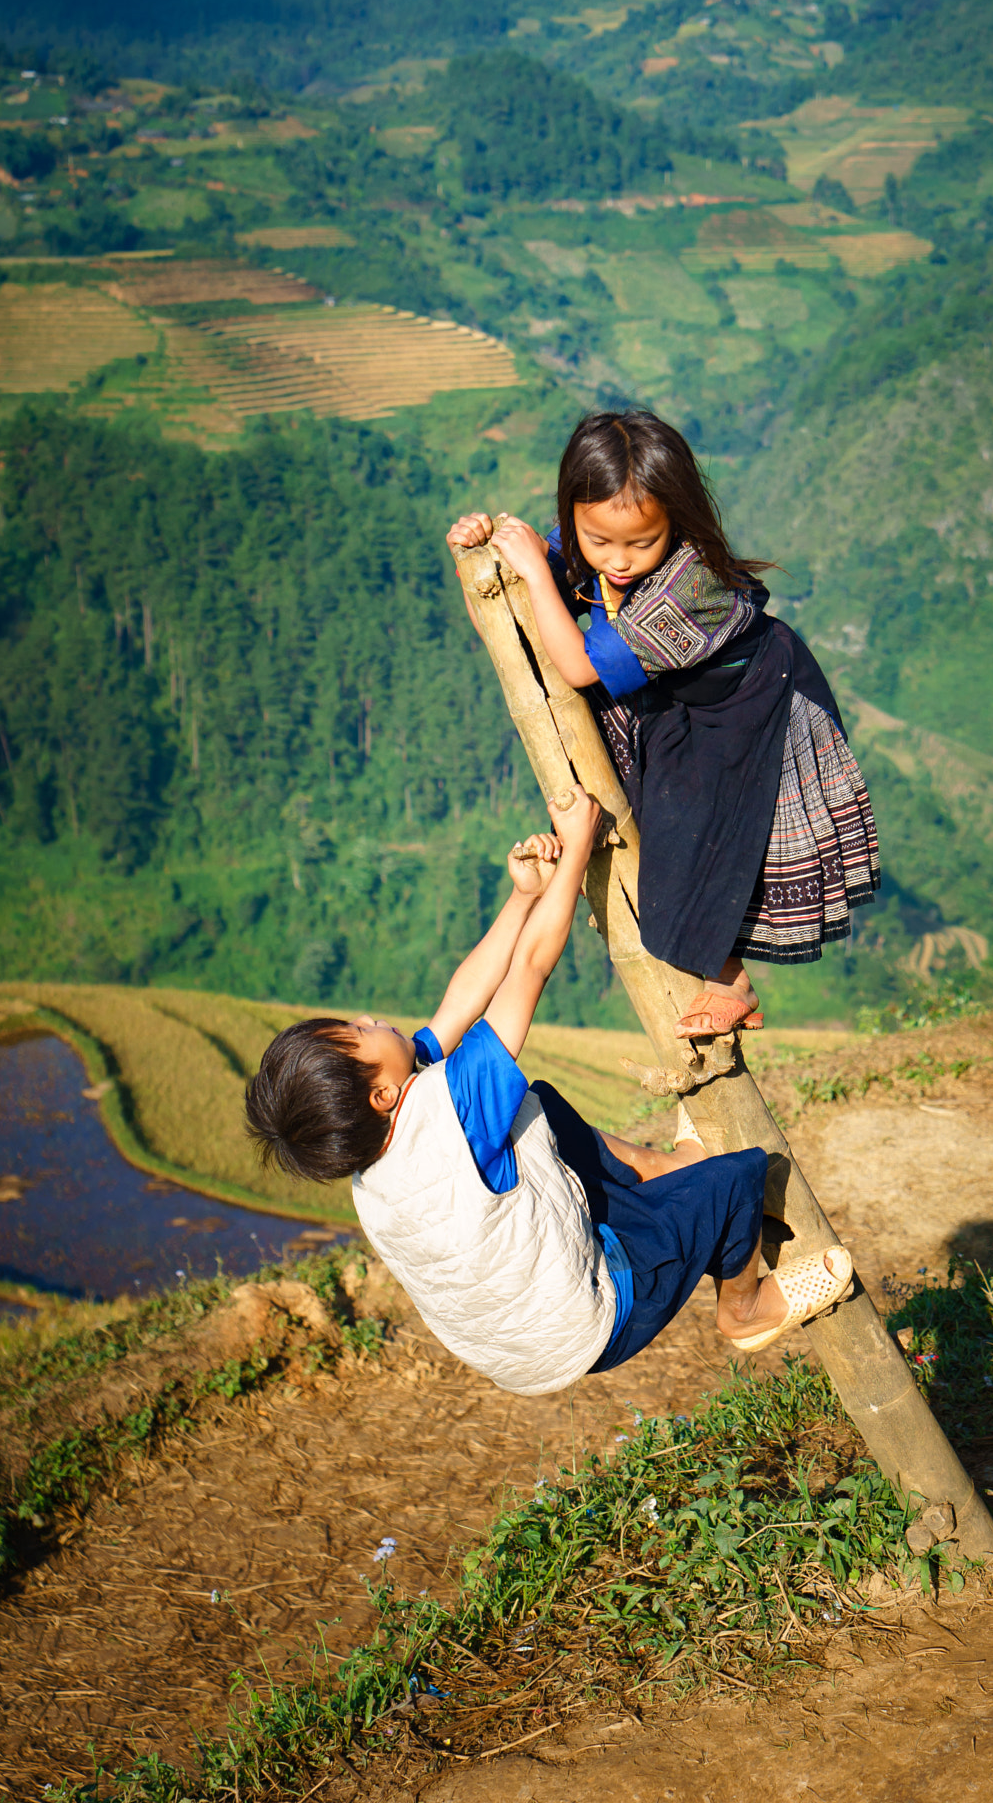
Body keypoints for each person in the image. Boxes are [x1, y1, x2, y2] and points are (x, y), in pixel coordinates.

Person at [244, 790, 852, 1397]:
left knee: (536, 1107)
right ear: (380, 1095)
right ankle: (744, 1310)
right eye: (356, 1034)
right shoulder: (456, 1110)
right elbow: (529, 966)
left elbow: (459, 1005)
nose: (367, 1019)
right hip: (598, 1318)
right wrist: (578, 846)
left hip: (520, 1347)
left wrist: (524, 894)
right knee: (738, 1177)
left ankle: (663, 1170)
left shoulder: (373, 1160)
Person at [447, 408, 880, 1040]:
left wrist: (536, 569)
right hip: (683, 700)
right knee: (650, 818)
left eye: (640, 543)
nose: (617, 561)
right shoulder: (589, 544)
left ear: (677, 519)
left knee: (684, 849)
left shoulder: (692, 583)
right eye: (598, 541)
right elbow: (510, 607)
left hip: (747, 706)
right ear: (573, 513)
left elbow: (577, 669)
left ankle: (729, 982)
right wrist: (482, 548)